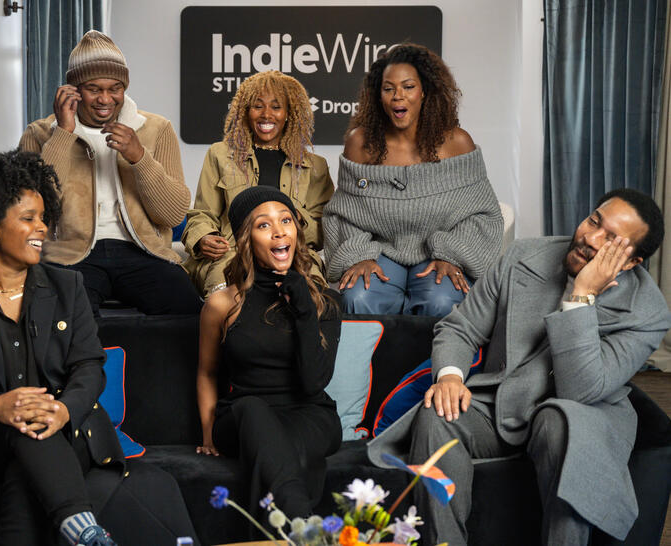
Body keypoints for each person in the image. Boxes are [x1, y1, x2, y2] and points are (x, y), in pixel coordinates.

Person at [0, 151, 198, 545]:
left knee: (30, 444)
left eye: (44, 218)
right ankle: (84, 531)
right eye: (28, 218)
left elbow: (89, 366)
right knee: (22, 429)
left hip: (67, 429)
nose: (42, 228)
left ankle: (80, 530)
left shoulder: (68, 286)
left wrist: (63, 409)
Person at [368, 188, 671, 545]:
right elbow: (460, 328)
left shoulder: (647, 313)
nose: (589, 237)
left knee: (557, 419)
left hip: (581, 417)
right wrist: (450, 377)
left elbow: (580, 391)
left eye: (610, 240)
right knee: (437, 413)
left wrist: (580, 298)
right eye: (593, 221)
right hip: (500, 404)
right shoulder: (525, 255)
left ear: (631, 262)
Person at [19, 30, 201, 316]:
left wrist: (139, 157)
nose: (106, 99)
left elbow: (173, 215)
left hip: (143, 253)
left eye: (115, 88)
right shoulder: (40, 133)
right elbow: (35, 214)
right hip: (71, 256)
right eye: (94, 88)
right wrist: (63, 136)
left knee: (188, 313)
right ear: (74, 88)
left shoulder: (156, 129)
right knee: (65, 322)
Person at [323, 43, 503, 317]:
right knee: (358, 296)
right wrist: (359, 255)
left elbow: (481, 213)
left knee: (442, 302)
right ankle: (370, 362)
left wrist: (452, 255)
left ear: (425, 92)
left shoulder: (457, 142)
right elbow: (344, 213)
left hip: (438, 256)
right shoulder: (359, 143)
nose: (398, 97)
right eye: (388, 88)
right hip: (380, 252)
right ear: (377, 95)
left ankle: (437, 363)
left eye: (408, 87)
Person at [195, 186, 342, 518]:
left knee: (292, 452)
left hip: (310, 413)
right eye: (264, 225)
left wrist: (304, 306)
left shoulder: (325, 303)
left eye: (286, 220)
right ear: (247, 239)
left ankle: (288, 532)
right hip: (243, 417)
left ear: (296, 231)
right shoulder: (221, 304)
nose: (279, 231)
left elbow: (312, 383)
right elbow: (207, 373)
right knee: (253, 410)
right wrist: (207, 432)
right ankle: (305, 532)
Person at [183, 70, 334, 297]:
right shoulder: (220, 155)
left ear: (289, 113)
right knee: (224, 299)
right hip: (232, 253)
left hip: (290, 253)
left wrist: (295, 217)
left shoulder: (315, 167)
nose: (266, 115)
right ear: (245, 111)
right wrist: (203, 237)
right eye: (257, 106)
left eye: (276, 107)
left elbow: (323, 232)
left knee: (314, 299)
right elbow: (202, 214)